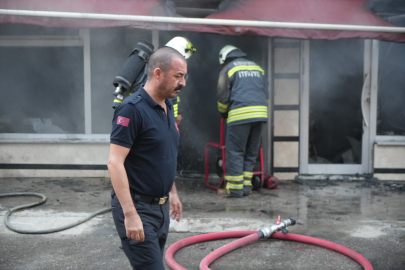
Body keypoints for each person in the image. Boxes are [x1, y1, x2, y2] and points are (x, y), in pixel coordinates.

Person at [107, 47, 187, 269]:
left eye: (184, 76)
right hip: (137, 209)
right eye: (178, 76)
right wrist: (130, 215)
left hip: (160, 209)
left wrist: (172, 192)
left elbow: (162, 155)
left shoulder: (167, 107)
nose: (183, 83)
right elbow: (115, 162)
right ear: (158, 73)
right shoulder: (131, 110)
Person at [216, 45, 269, 198]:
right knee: (251, 153)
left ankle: (235, 189)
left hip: (239, 115)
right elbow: (266, 93)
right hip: (260, 115)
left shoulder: (228, 69)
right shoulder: (258, 68)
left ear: (224, 58)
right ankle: (246, 187)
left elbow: (222, 96)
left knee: (235, 152)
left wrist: (223, 112)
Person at [113, 36, 196, 126]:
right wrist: (172, 118)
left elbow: (173, 94)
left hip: (132, 110)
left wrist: (177, 113)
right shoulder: (160, 69)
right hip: (138, 112)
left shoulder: (155, 64)